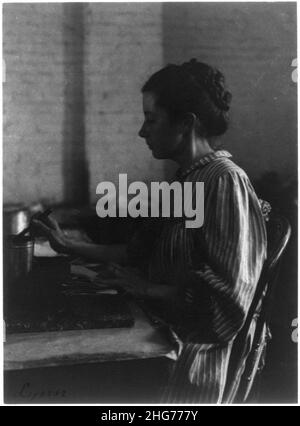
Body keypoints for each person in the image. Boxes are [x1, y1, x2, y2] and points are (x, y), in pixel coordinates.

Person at [33, 59, 268, 403]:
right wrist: (65, 243)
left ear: (185, 123)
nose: (142, 132)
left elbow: (225, 308)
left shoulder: (223, 180)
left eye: (151, 120)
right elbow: (136, 253)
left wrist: (147, 288)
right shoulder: (187, 179)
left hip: (195, 362)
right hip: (164, 340)